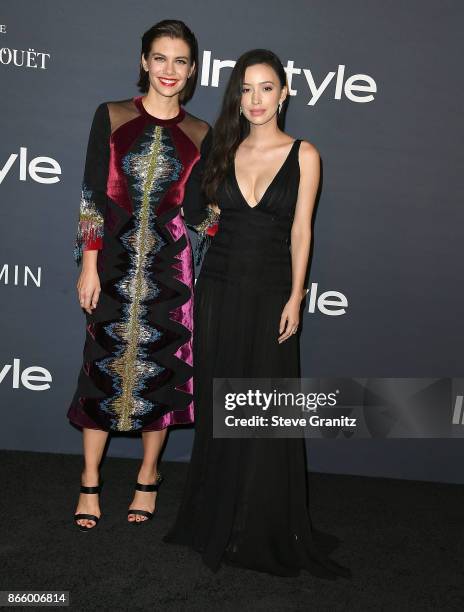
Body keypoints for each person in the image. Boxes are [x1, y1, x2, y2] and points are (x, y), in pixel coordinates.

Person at [165, 49, 351, 578]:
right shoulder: (220, 150)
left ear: (285, 93)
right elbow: (197, 216)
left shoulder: (305, 154)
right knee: (222, 408)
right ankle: (214, 517)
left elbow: (301, 231)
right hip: (219, 291)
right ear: (236, 96)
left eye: (266, 88)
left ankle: (262, 523)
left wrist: (296, 296)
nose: (255, 100)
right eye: (246, 89)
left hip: (272, 294)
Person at [68, 20, 218, 530]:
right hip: (111, 263)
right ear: (143, 62)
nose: (168, 70)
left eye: (180, 60)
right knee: (101, 367)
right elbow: (92, 194)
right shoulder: (110, 116)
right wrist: (89, 262)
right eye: (159, 57)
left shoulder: (201, 132)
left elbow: (200, 210)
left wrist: (246, 224)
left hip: (170, 267)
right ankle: (90, 481)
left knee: (162, 372)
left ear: (192, 69)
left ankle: (148, 478)